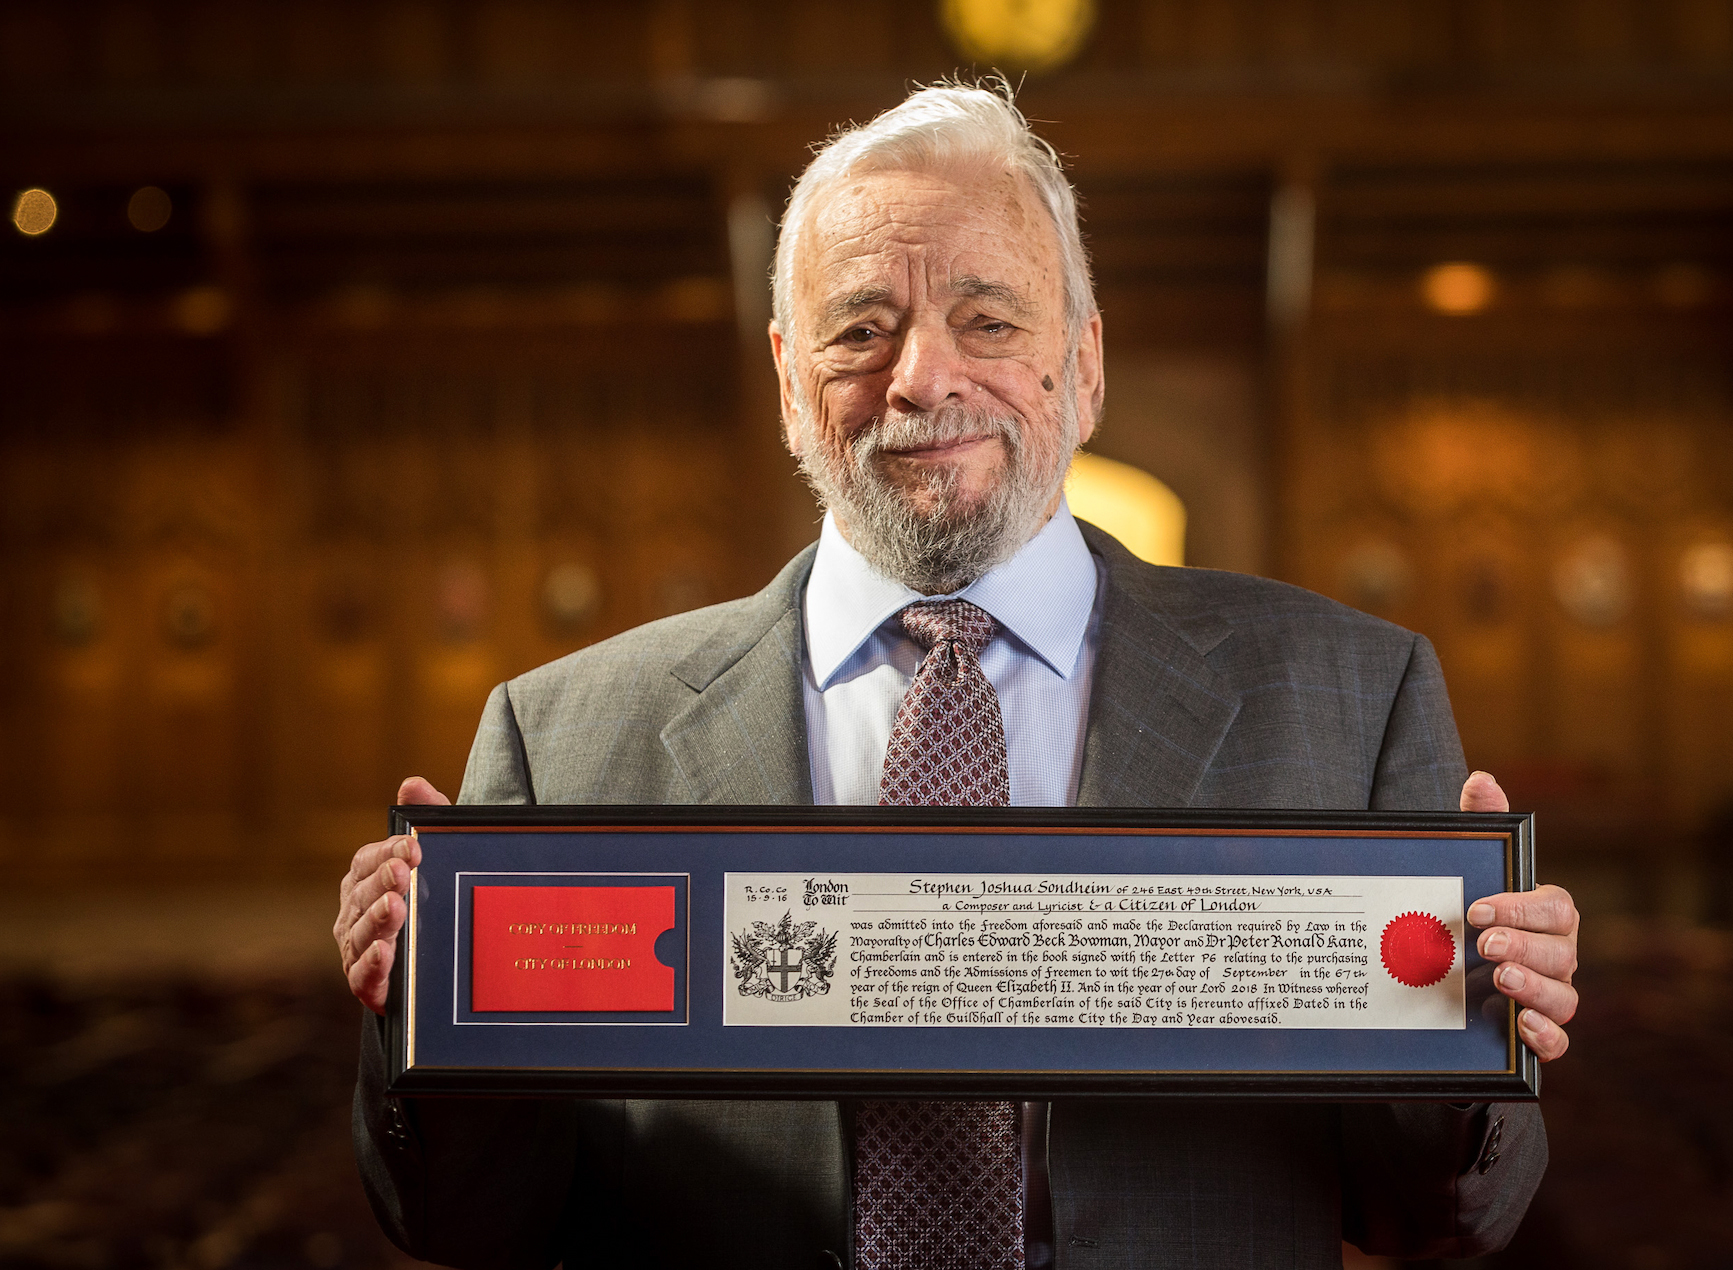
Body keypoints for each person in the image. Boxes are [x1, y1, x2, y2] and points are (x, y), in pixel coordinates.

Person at [337, 81, 1580, 1270]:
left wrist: (1478, 1026)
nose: (922, 376)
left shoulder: (1352, 698)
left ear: (1084, 366)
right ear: (786, 377)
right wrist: (422, 1012)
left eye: (987, 320)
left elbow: (1438, 1220)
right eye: (860, 328)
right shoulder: (558, 739)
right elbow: (470, 1224)